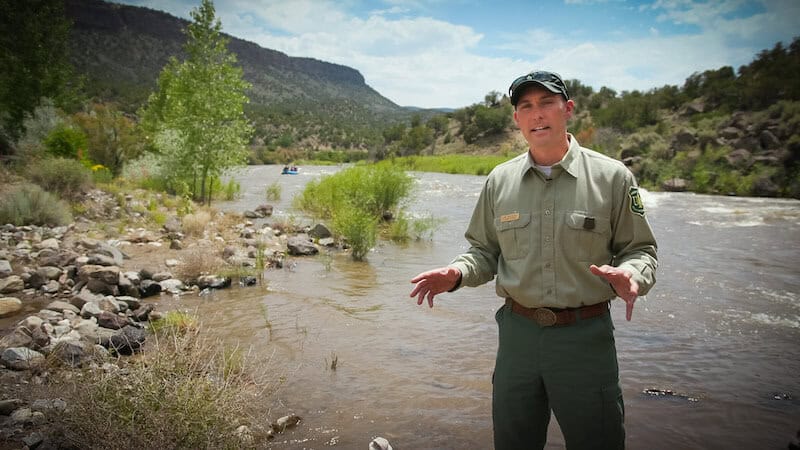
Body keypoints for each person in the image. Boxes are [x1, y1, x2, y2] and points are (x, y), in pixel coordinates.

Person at [409, 70, 658, 450]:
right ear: (516, 119)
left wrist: (631, 275)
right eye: (526, 106)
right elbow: (483, 251)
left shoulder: (614, 178)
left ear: (567, 109)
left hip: (585, 339)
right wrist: (456, 273)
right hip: (517, 338)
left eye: (546, 103)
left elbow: (641, 250)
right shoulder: (498, 180)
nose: (536, 114)